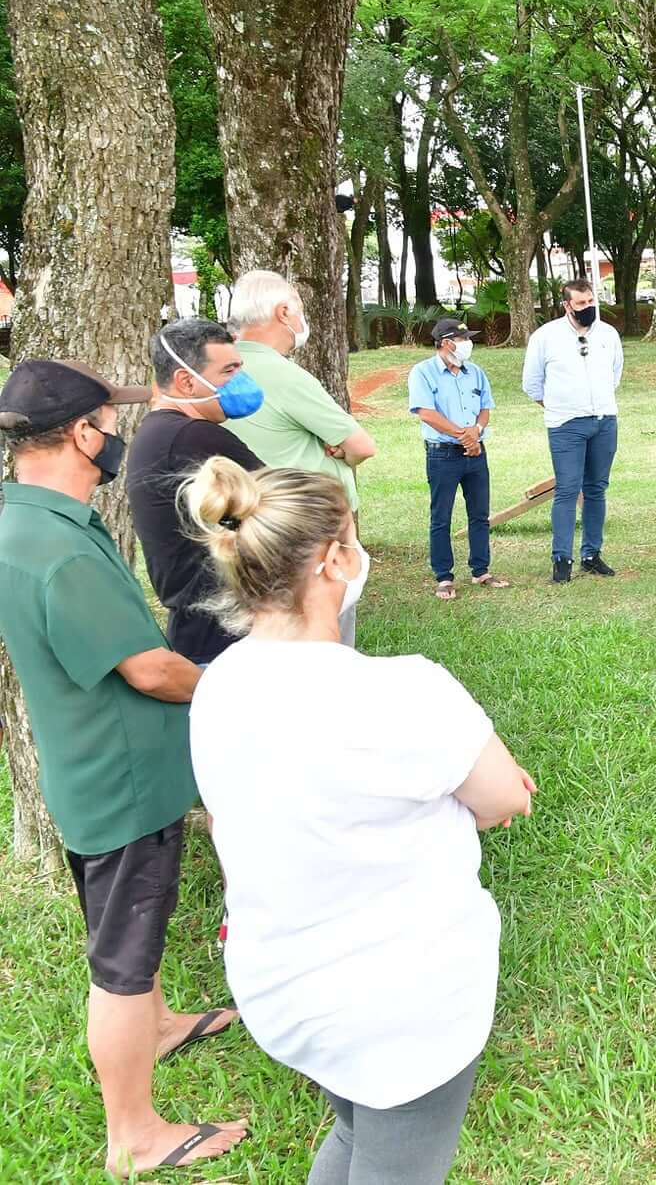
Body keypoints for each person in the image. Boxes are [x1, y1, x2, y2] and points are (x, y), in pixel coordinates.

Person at [183, 457, 534, 1184]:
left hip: (281, 985)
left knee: (354, 1130)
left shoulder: (218, 685)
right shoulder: (405, 691)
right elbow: (504, 798)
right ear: (333, 560)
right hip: (398, 1004)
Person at [0, 360, 248, 1176]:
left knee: (129, 943)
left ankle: (165, 1021)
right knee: (122, 960)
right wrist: (238, 687)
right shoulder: (55, 550)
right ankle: (134, 1134)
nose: (114, 442)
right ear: (81, 434)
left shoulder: (28, 520)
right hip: (122, 785)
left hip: (90, 768)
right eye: (107, 425)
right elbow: (149, 668)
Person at [225, 269, 378, 640]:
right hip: (310, 533)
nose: (301, 318)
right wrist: (340, 451)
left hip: (250, 532)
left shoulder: (218, 371)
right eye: (299, 309)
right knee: (323, 643)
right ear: (283, 313)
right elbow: (362, 446)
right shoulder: (283, 374)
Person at [128, 318, 268, 664]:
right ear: (187, 382)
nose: (241, 382)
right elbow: (291, 502)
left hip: (199, 632)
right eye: (229, 371)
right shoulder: (194, 437)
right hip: (226, 636)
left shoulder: (159, 434)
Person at [521, 279, 623, 585]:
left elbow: (615, 374)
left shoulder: (607, 334)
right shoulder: (545, 336)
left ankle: (591, 554)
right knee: (567, 490)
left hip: (604, 421)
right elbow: (532, 384)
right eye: (581, 303)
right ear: (567, 305)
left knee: (597, 489)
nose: (588, 307)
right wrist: (559, 408)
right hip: (566, 425)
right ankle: (561, 558)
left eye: (591, 301)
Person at [409, 319, 508, 600]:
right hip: (443, 454)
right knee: (441, 516)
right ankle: (444, 576)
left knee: (480, 514)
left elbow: (485, 408)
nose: (467, 344)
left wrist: (475, 433)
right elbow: (426, 412)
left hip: (477, 452)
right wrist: (462, 436)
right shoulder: (423, 373)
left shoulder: (475, 373)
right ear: (446, 343)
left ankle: (481, 570)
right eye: (462, 339)